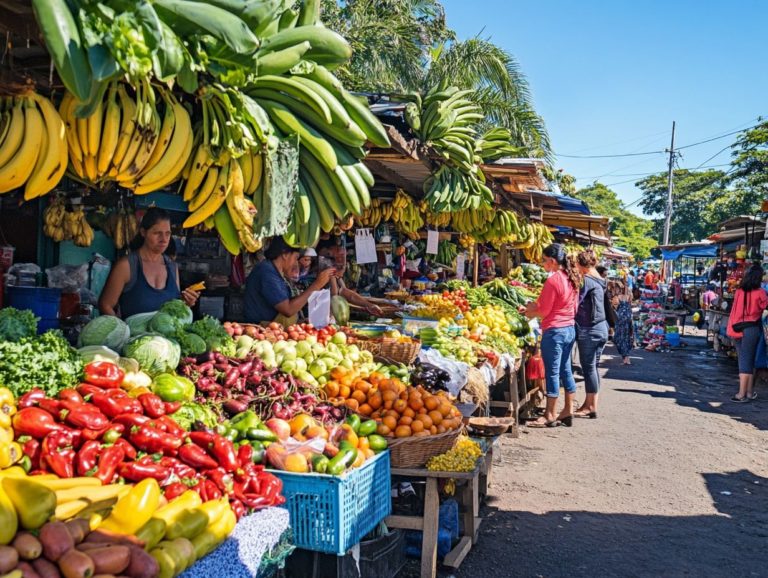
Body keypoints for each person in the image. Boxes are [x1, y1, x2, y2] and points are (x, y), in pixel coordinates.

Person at [99, 208, 199, 318]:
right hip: (134, 334)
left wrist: (185, 304)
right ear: (143, 232)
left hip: (165, 336)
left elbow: (173, 310)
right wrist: (122, 331)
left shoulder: (172, 267)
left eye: (167, 234)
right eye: (157, 233)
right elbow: (105, 305)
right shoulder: (127, 266)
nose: (164, 239)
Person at [524, 243, 580, 428]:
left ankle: (550, 414)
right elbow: (573, 307)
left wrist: (528, 312)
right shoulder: (572, 278)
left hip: (555, 331)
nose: (542, 264)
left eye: (544, 261)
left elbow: (545, 310)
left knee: (552, 373)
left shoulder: (553, 280)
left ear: (553, 261)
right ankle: (568, 410)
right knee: (566, 370)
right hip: (569, 329)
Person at [243, 238, 335, 326]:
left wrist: (299, 322)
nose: (296, 263)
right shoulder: (267, 272)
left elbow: (285, 304)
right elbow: (288, 310)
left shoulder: (273, 271)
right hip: (261, 331)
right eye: (295, 258)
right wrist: (317, 284)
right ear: (285, 254)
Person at [574, 250, 609, 419]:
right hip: (601, 328)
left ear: (582, 265)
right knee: (593, 368)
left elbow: (575, 303)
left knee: (589, 368)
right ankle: (590, 404)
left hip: (590, 329)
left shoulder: (587, 280)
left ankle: (590, 406)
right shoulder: (601, 280)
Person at [726, 263, 768, 402]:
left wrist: (730, 329)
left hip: (736, 328)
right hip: (752, 329)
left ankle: (745, 394)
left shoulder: (739, 291)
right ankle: (745, 394)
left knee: (744, 360)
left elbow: (733, 312)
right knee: (748, 361)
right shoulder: (761, 293)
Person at [317, 238, 383, 316]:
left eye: (343, 255)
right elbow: (335, 295)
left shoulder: (334, 269)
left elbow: (346, 293)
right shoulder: (324, 264)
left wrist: (369, 305)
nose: (341, 259)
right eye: (338, 253)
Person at [610, 280, 634, 365]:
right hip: (628, 317)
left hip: (620, 318)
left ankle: (625, 358)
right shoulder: (629, 295)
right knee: (627, 337)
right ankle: (627, 358)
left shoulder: (617, 297)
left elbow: (614, 306)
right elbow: (630, 304)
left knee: (619, 338)